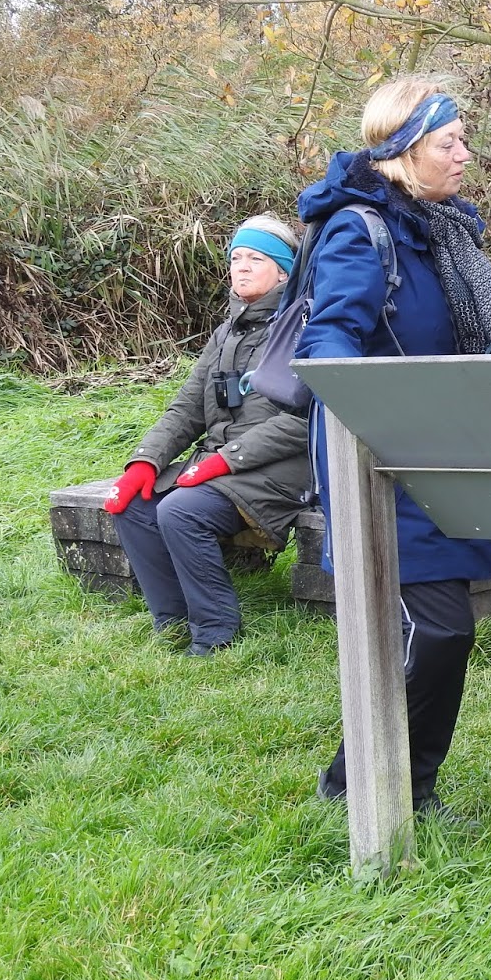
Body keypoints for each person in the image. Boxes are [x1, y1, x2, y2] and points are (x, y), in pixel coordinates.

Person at [299, 76, 491, 820]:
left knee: (445, 632)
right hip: (383, 461)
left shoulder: (444, 233)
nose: (465, 155)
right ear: (403, 150)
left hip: (442, 454)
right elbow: (329, 338)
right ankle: (363, 784)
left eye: (464, 140)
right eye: (449, 142)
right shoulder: (360, 230)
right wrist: (373, 414)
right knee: (433, 630)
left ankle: (401, 784)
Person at [105, 213, 311, 656]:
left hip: (282, 471)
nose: (242, 267)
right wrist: (145, 462)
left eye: (256, 259)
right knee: (134, 505)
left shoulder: (303, 328)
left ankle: (215, 632)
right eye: (236, 258)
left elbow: (303, 420)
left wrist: (225, 460)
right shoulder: (225, 334)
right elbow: (186, 409)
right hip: (223, 466)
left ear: (283, 272)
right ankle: (173, 622)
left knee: (181, 511)